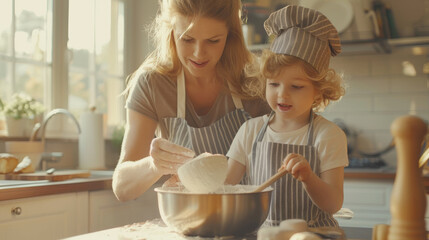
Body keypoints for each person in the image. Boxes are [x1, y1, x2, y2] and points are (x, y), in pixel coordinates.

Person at [112, 0, 270, 202]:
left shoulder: (254, 83)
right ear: (171, 31)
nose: (198, 53)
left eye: (213, 41)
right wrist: (155, 165)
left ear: (231, 35)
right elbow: (122, 188)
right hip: (189, 218)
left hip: (248, 218)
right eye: (187, 39)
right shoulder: (152, 84)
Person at [225, 5, 348, 227]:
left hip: (313, 233)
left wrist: (309, 178)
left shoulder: (328, 135)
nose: (282, 94)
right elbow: (224, 186)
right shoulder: (250, 131)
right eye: (273, 83)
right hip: (261, 233)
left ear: (318, 91)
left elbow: (333, 204)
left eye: (297, 86)